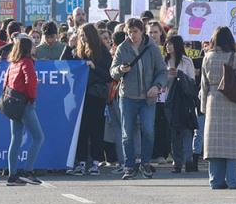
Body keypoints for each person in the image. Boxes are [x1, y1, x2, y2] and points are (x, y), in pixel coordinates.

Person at [110, 18, 168, 180]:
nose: (132, 35)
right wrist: (120, 69)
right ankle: (129, 166)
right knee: (127, 133)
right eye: (129, 32)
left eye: (135, 31)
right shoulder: (122, 48)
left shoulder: (152, 48)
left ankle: (145, 163)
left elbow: (162, 71)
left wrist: (157, 86)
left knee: (148, 131)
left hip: (147, 98)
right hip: (128, 96)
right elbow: (112, 72)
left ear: (142, 31)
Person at [200, 26, 236, 189]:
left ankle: (215, 180)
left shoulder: (208, 57)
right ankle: (232, 180)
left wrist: (203, 107)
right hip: (232, 100)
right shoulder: (234, 57)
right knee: (231, 144)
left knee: (214, 145)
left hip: (213, 100)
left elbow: (203, 85)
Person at [68, 23, 112, 176]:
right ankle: (81, 161)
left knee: (96, 129)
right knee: (82, 129)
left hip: (96, 95)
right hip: (80, 95)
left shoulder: (102, 52)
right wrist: (69, 46)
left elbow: (109, 75)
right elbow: (64, 63)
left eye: (84, 35)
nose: (82, 38)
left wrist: (94, 67)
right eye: (80, 35)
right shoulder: (78, 51)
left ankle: (95, 161)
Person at [3, 35, 44, 186]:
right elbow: (30, 82)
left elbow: (7, 83)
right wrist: (32, 98)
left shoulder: (13, 63)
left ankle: (12, 175)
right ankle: (28, 172)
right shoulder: (27, 61)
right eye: (32, 45)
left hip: (12, 102)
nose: (35, 47)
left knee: (16, 138)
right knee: (38, 137)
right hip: (25, 103)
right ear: (28, 48)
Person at [163, 33, 197, 173]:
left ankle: (188, 160)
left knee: (187, 130)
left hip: (184, 100)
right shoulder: (163, 61)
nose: (168, 46)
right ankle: (177, 162)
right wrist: (167, 75)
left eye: (171, 43)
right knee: (174, 132)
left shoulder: (186, 61)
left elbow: (192, 81)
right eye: (167, 43)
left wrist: (180, 75)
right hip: (168, 100)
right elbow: (159, 81)